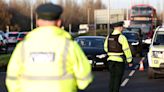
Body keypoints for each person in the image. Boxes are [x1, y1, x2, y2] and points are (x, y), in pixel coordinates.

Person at [6, 3, 93, 92]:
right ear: (59, 22)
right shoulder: (69, 46)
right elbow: (84, 80)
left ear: (37, 22)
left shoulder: (23, 47)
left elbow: (12, 78)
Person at [104, 21, 133, 92]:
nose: (122, 28)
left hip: (110, 60)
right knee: (117, 79)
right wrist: (130, 61)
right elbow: (126, 50)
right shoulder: (122, 37)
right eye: (122, 27)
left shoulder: (108, 37)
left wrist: (111, 53)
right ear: (119, 28)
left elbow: (105, 48)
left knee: (112, 78)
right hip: (119, 61)